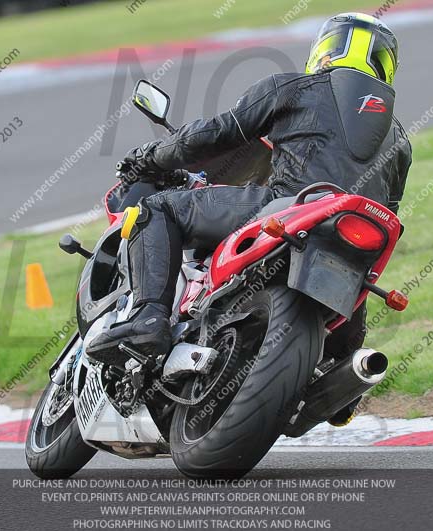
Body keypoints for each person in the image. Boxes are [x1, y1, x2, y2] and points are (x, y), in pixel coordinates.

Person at [88, 14, 413, 383]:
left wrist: (148, 156)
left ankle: (148, 318)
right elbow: (394, 210)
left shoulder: (293, 87)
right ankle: (340, 381)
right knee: (351, 330)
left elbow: (214, 134)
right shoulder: (401, 139)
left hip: (291, 206)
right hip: (355, 238)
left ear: (325, 50)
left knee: (157, 209)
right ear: (386, 66)